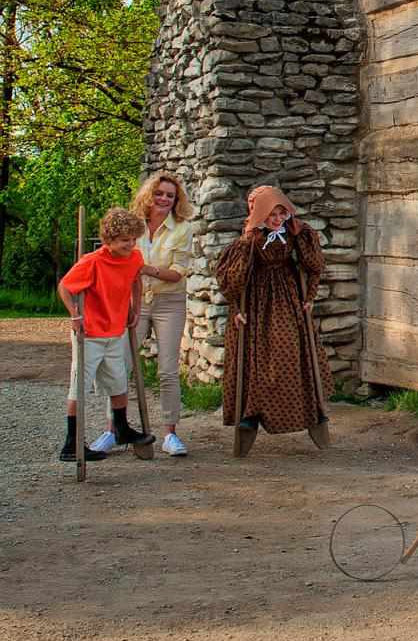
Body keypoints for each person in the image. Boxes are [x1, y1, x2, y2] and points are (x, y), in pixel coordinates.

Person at [214, 186, 333, 448]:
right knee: (256, 359)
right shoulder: (247, 239)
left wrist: (309, 297)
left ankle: (310, 409)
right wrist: (237, 307)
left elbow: (315, 266)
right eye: (271, 213)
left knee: (287, 354)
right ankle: (250, 413)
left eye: (281, 213)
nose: (277, 219)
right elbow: (231, 282)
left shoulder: (296, 233)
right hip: (254, 301)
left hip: (287, 298)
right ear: (258, 211)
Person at [90, 172, 194, 457]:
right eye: (159, 193)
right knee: (118, 365)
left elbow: (177, 273)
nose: (164, 199)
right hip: (132, 302)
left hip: (168, 302)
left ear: (176, 201)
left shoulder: (183, 229)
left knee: (168, 370)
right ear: (149, 195)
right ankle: (113, 430)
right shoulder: (132, 224)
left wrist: (145, 268)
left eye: (170, 196)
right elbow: (113, 257)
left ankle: (170, 434)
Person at [56, 208, 155, 461]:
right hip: (89, 333)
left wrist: (136, 307)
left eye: (133, 239)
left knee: (118, 382)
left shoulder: (134, 258)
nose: (130, 244)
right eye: (124, 240)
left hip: (115, 331)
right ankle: (71, 444)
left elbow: (135, 279)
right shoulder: (92, 261)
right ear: (108, 240)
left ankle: (121, 430)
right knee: (80, 386)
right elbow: (65, 287)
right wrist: (75, 316)